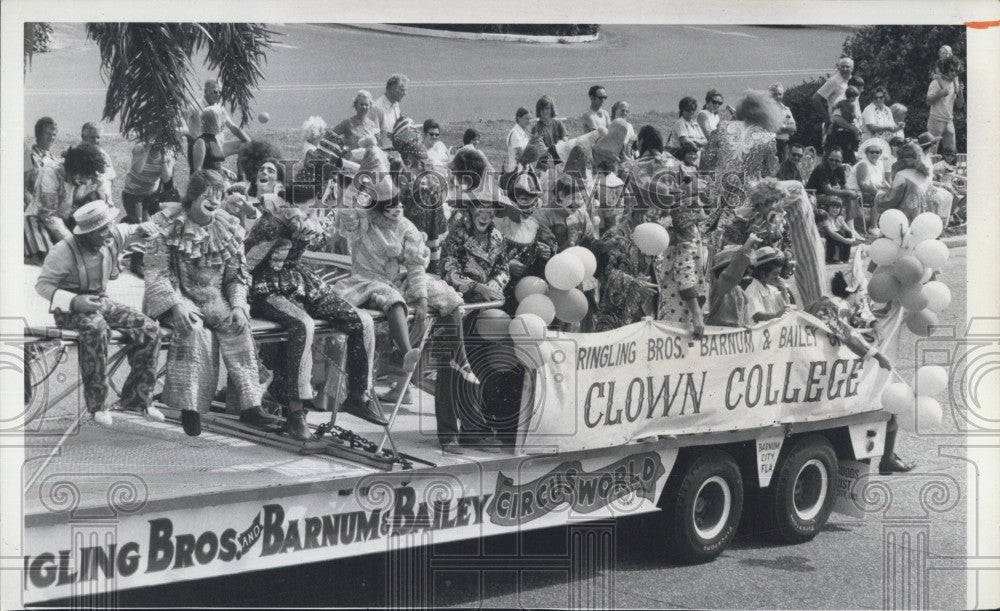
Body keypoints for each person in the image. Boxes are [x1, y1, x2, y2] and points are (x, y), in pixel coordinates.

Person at [144, 170, 276, 437]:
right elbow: (156, 272)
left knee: (238, 327)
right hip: (178, 296)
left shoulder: (227, 227)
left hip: (215, 298)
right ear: (192, 197)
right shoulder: (165, 224)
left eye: (219, 195)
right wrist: (175, 304)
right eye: (208, 195)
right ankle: (189, 409)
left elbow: (237, 275)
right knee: (195, 332)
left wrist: (238, 305)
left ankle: (251, 406)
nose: (215, 201)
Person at [244, 192, 382, 439]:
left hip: (302, 281)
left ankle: (358, 395)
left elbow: (323, 241)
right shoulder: (270, 220)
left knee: (362, 320)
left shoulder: (314, 215)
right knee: (303, 325)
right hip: (268, 286)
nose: (315, 200)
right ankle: (296, 412)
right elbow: (247, 261)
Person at [334, 176, 479, 405]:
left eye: (398, 203)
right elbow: (345, 209)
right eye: (389, 205)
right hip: (363, 281)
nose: (396, 209)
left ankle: (459, 356)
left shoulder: (407, 227)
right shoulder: (363, 220)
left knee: (446, 295)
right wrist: (361, 177)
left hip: (393, 280)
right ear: (377, 207)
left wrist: (421, 298)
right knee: (393, 299)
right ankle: (408, 352)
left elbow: (415, 265)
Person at [35, 201, 164, 427]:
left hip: (100, 301)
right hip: (70, 308)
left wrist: (148, 228)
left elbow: (135, 229)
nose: (109, 232)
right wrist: (75, 300)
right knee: (96, 329)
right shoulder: (63, 251)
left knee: (149, 328)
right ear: (88, 233)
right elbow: (43, 286)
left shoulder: (113, 235)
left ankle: (138, 398)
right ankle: (98, 406)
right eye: (102, 230)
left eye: (109, 225)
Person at [438, 196, 511, 452]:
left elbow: (503, 269)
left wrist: (495, 284)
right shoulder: (455, 233)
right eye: (481, 208)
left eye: (490, 210)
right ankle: (447, 434)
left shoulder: (498, 238)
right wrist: (475, 286)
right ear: (470, 208)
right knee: (451, 366)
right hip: (455, 306)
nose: (485, 214)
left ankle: (471, 430)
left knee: (476, 367)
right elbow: (447, 269)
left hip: (484, 309)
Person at [700, 90, 783, 249]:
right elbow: (771, 171)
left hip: (720, 191)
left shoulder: (723, 127)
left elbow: (708, 159)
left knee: (716, 240)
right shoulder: (767, 137)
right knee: (748, 240)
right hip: (748, 196)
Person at [593, 190, 661, 331]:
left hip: (649, 308)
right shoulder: (616, 235)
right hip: (620, 311)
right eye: (649, 213)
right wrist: (633, 283)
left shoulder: (655, 234)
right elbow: (606, 272)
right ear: (635, 211)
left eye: (657, 214)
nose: (654, 217)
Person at [34, 143, 115, 245]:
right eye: (85, 176)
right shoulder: (50, 173)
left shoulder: (97, 177)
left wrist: (108, 234)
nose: (87, 182)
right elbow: (48, 215)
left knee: (100, 198)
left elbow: (108, 208)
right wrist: (72, 243)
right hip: (42, 223)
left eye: (90, 177)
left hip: (72, 221)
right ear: (73, 169)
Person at [184, 79, 251, 173]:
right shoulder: (195, 105)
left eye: (220, 92)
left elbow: (232, 127)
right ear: (206, 91)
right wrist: (190, 136)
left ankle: (240, 178)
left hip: (217, 147)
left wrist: (251, 143)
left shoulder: (219, 107)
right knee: (200, 175)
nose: (218, 94)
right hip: (201, 147)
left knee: (246, 146)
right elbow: (181, 120)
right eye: (215, 91)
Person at [25, 117, 61, 263]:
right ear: (38, 135)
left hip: (52, 203)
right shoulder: (29, 156)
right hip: (33, 202)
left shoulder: (54, 159)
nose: (51, 138)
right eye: (48, 134)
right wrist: (32, 203)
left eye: (54, 134)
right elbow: (24, 186)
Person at [705, 236, 760, 327]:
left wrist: (744, 325)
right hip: (718, 333)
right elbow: (730, 275)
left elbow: (743, 315)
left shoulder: (739, 290)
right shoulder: (720, 286)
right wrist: (746, 246)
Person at [877, 140, 935, 223]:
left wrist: (879, 194)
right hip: (926, 220)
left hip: (907, 220)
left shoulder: (901, 175)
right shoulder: (925, 175)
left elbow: (891, 200)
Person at [806, 147, 862, 230]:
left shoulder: (839, 168)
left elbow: (844, 185)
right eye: (831, 160)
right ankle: (840, 225)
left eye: (837, 161)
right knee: (839, 198)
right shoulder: (822, 168)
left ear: (841, 160)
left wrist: (852, 193)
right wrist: (849, 193)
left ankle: (850, 226)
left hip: (825, 194)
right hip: (813, 195)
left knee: (850, 197)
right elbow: (828, 190)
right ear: (827, 158)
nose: (833, 163)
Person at [925, 56, 964, 155]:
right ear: (946, 69)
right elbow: (928, 101)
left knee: (951, 155)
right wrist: (940, 94)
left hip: (949, 121)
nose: (954, 73)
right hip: (936, 121)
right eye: (952, 70)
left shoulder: (955, 84)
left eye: (957, 71)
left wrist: (961, 92)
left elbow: (959, 105)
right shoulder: (936, 82)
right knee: (931, 154)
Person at [849, 140, 891, 231]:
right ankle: (873, 226)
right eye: (872, 152)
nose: (875, 154)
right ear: (866, 153)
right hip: (857, 192)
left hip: (872, 190)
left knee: (893, 195)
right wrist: (878, 192)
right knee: (880, 196)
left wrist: (892, 190)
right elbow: (862, 185)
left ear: (881, 153)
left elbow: (883, 181)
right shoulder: (863, 164)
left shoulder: (880, 163)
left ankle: (886, 223)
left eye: (877, 152)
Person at [192, 106, 244, 176]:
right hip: (210, 182)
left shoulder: (215, 139)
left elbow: (211, 162)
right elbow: (197, 171)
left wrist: (225, 171)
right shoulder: (201, 142)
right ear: (211, 122)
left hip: (220, 179)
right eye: (220, 120)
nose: (223, 124)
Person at [745, 247, 791, 323]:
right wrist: (776, 315)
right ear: (763, 274)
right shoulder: (752, 291)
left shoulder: (771, 289)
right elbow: (756, 316)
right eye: (774, 274)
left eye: (778, 274)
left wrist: (783, 290)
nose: (777, 278)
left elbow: (785, 305)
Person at [811, 56, 855, 130]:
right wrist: (827, 118)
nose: (844, 69)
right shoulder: (833, 81)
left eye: (847, 67)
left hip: (852, 123)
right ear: (839, 68)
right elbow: (816, 98)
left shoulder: (853, 81)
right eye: (842, 67)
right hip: (837, 124)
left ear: (852, 69)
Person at [826, 87, 862, 164]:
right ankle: (856, 144)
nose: (855, 99)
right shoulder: (852, 105)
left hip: (841, 125)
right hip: (849, 123)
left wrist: (832, 113)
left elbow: (834, 107)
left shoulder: (841, 102)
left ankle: (828, 135)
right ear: (852, 98)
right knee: (856, 132)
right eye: (855, 97)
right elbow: (853, 114)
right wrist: (856, 117)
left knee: (832, 127)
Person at [372, 74, 408, 148]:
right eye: (403, 90)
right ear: (393, 89)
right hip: (384, 154)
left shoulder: (395, 104)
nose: (405, 93)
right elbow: (374, 138)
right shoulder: (377, 108)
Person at [531, 95, 567, 167]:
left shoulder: (558, 123)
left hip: (560, 157)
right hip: (545, 162)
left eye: (547, 108)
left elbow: (565, 140)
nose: (545, 111)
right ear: (539, 110)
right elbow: (542, 151)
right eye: (542, 109)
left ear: (551, 109)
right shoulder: (536, 128)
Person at [769, 83, 797, 161]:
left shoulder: (786, 109)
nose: (778, 97)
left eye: (780, 94)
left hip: (784, 144)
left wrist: (781, 127)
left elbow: (794, 127)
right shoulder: (766, 110)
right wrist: (786, 128)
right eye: (775, 94)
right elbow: (771, 128)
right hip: (771, 144)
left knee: (782, 168)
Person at [503, 107, 532, 175]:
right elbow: (522, 154)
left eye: (530, 119)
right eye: (526, 118)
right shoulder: (515, 134)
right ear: (519, 118)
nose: (528, 121)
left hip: (523, 170)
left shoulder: (522, 132)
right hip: (516, 172)